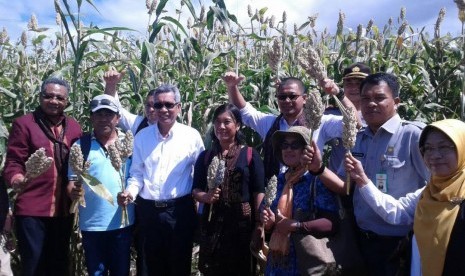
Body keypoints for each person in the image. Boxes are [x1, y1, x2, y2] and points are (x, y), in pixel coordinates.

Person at [329, 73, 429, 276]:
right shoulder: (357, 139)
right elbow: (344, 184)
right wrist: (318, 169)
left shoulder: (414, 135)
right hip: (361, 239)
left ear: (397, 102)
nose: (371, 104)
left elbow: (435, 185)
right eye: (365, 98)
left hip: (399, 245)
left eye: (379, 98)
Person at [346, 118, 465, 276]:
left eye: (444, 147)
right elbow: (397, 212)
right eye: (428, 148)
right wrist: (362, 180)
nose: (434, 155)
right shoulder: (428, 192)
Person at [118, 84, 205, 275]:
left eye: (169, 104)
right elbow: (137, 174)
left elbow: (199, 176)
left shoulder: (191, 137)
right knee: (149, 266)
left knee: (178, 266)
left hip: (179, 211)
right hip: (148, 212)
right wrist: (130, 193)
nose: (163, 110)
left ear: (179, 107)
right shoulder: (142, 137)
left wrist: (201, 212)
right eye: (158, 105)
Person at [2, 77, 82, 276]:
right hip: (32, 209)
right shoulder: (25, 124)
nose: (54, 101)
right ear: (40, 97)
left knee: (58, 263)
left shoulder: (73, 127)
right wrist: (17, 179)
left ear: (67, 102)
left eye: (59, 98)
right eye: (48, 96)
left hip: (64, 210)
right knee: (35, 265)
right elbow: (13, 161)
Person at [222, 72, 360, 181]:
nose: (287, 100)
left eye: (292, 96)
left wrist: (338, 93)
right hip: (276, 189)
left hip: (307, 191)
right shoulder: (270, 124)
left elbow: (354, 123)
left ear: (304, 98)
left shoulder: (319, 122)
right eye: (282, 97)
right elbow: (245, 111)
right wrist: (232, 86)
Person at [192, 103, 265, 275]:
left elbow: (258, 191)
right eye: (217, 122)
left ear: (238, 125)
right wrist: (206, 197)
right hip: (212, 226)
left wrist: (259, 226)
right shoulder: (206, 156)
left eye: (227, 122)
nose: (221, 127)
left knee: (241, 269)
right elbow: (195, 190)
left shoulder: (249, 154)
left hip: (242, 226)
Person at [67, 94, 135, 275]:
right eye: (99, 114)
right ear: (91, 117)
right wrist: (74, 192)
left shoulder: (129, 144)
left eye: (109, 114)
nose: (104, 119)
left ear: (118, 118)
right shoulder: (81, 146)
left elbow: (138, 177)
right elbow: (71, 181)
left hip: (123, 224)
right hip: (92, 225)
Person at [261, 126, 341, 275]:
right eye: (285, 145)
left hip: (307, 264)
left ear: (307, 150)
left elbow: (332, 223)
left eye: (295, 145)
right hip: (278, 264)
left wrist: (296, 226)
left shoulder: (316, 180)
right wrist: (269, 222)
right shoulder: (278, 181)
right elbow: (268, 219)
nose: (288, 149)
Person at [324, 62, 371, 173]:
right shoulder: (331, 114)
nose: (354, 88)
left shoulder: (375, 114)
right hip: (336, 182)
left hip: (367, 179)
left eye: (359, 83)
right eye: (349, 83)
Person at [104, 68, 157, 135]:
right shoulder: (138, 124)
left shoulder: (173, 131)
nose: (150, 109)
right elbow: (116, 109)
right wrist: (111, 84)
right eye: (148, 105)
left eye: (155, 105)